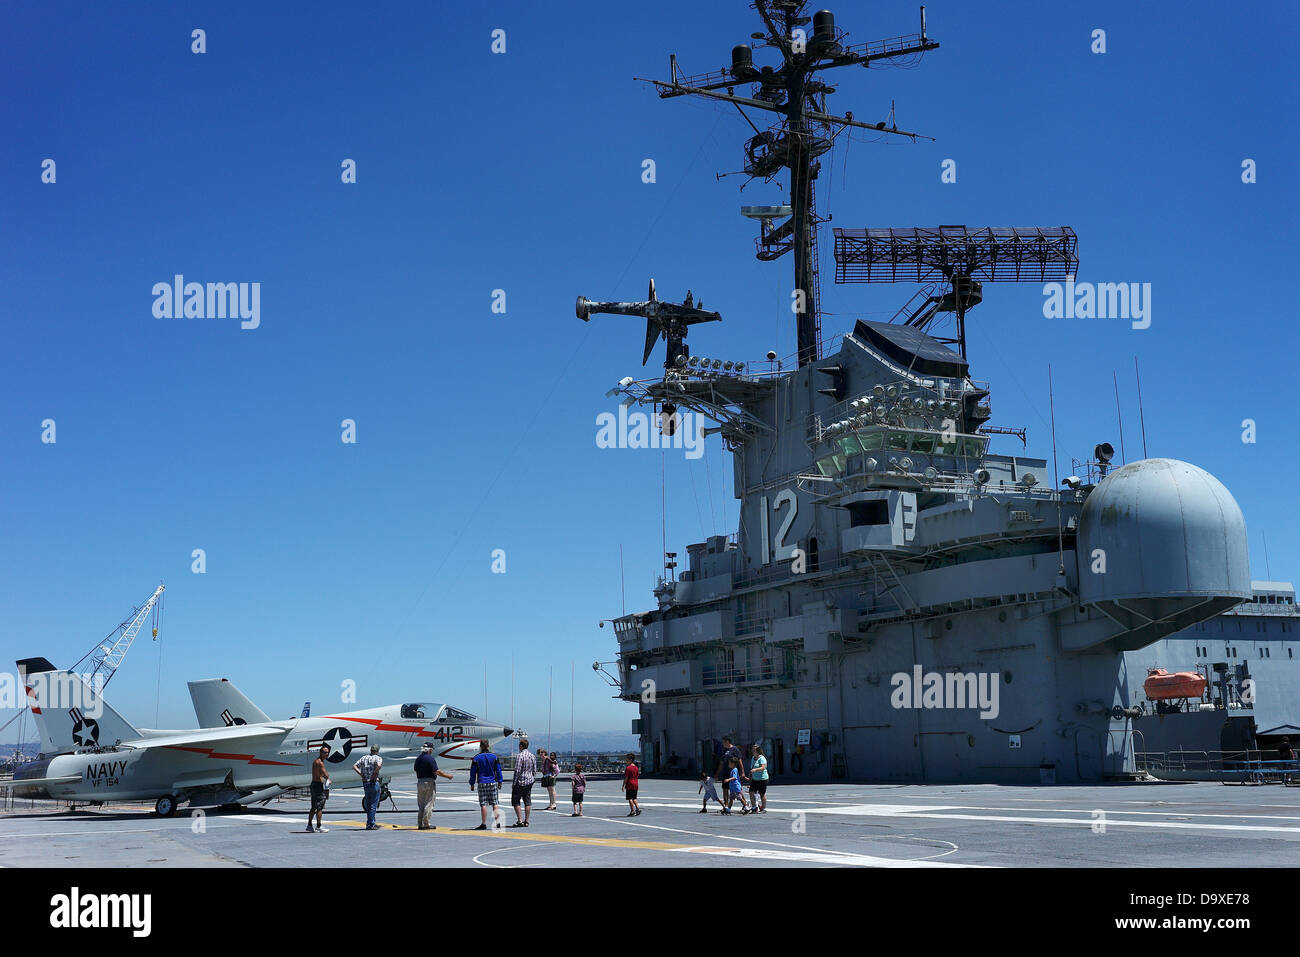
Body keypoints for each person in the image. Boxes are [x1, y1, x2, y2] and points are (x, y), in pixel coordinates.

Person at [414, 742, 453, 829]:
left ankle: (420, 824)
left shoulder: (418, 759)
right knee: (428, 803)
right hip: (429, 782)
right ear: (430, 749)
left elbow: (416, 770)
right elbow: (436, 771)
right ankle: (426, 824)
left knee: (421, 804)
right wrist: (448, 776)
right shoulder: (430, 759)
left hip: (419, 781)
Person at [469, 739, 504, 830]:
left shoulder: (476, 758)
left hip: (482, 782)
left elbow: (473, 772)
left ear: (480, 746)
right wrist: (500, 781)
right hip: (492, 782)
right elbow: (498, 770)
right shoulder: (494, 757)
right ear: (488, 746)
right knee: (494, 803)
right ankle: (498, 822)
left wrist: (472, 783)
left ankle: (484, 824)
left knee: (483, 804)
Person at [353, 744, 384, 830]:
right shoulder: (378, 758)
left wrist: (361, 774)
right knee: (373, 804)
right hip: (374, 782)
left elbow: (354, 766)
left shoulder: (364, 758)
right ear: (377, 751)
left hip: (365, 782)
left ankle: (370, 822)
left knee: (368, 803)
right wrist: (374, 773)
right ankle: (371, 824)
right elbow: (379, 765)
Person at [511, 738, 537, 827]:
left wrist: (514, 782)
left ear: (521, 746)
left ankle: (520, 820)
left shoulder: (520, 756)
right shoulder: (532, 756)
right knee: (527, 801)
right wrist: (533, 779)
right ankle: (527, 820)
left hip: (520, 781)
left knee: (516, 801)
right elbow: (534, 770)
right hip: (529, 780)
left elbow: (517, 770)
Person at [306, 744, 331, 832]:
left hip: (314, 784)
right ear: (320, 753)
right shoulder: (320, 763)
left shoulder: (315, 761)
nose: (327, 754)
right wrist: (328, 779)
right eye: (325, 752)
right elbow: (325, 774)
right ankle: (319, 826)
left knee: (313, 806)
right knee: (320, 807)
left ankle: (309, 825)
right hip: (317, 785)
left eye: (327, 752)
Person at [748, 743, 769, 813]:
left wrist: (755, 770)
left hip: (763, 779)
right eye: (752, 750)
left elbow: (763, 767)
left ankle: (763, 808)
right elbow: (752, 767)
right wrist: (750, 777)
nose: (753, 751)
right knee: (751, 792)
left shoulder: (762, 758)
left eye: (754, 750)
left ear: (758, 751)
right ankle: (754, 807)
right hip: (755, 779)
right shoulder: (753, 758)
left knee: (762, 794)